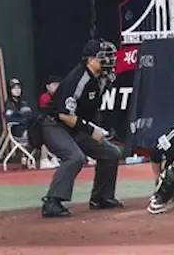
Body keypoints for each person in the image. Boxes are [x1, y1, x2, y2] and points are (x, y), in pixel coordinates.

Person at [39, 39, 123, 218]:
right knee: (75, 157)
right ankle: (52, 202)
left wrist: (92, 129)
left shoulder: (101, 78)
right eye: (103, 57)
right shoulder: (78, 79)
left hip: (75, 126)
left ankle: (101, 197)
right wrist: (92, 131)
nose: (109, 60)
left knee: (112, 153)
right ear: (90, 60)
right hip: (55, 125)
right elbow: (64, 115)